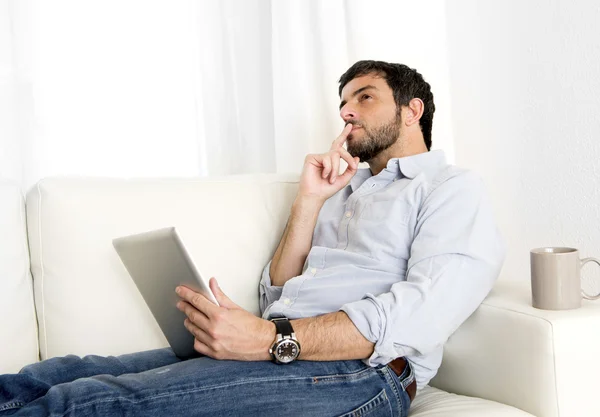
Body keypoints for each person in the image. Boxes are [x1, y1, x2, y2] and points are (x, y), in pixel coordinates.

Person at [0, 60, 505, 417]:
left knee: (87, 404)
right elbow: (279, 293)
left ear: (412, 110)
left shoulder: (451, 189)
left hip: (362, 376)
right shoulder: (344, 189)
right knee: (61, 375)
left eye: (364, 98)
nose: (347, 112)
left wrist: (270, 338)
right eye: (344, 103)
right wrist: (309, 202)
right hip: (281, 349)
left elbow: (421, 313)